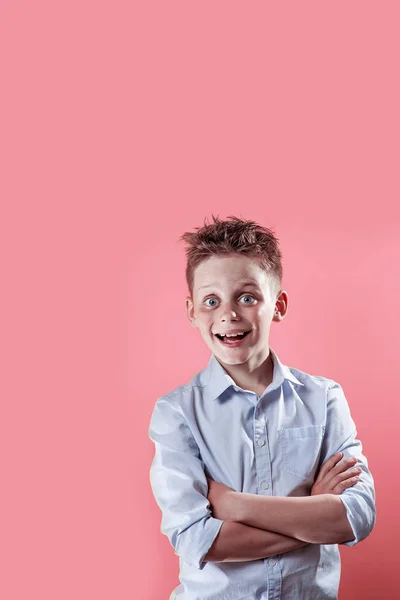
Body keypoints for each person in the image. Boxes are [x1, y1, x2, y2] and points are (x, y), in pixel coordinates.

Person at [148, 214, 376, 600]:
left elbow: (355, 517)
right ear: (192, 312)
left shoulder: (324, 398)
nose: (229, 314)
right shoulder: (177, 413)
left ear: (278, 305)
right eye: (211, 300)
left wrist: (234, 505)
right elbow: (197, 541)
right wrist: (309, 510)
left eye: (248, 297)